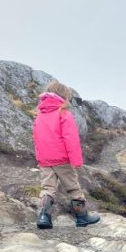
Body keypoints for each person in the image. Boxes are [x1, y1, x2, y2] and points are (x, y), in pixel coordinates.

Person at [32, 80, 100, 228]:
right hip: (62, 159)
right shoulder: (63, 114)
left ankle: (44, 217)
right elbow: (71, 139)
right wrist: (76, 161)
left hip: (45, 160)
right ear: (64, 97)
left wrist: (40, 158)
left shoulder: (40, 116)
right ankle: (82, 217)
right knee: (73, 188)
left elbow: (37, 139)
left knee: (47, 188)